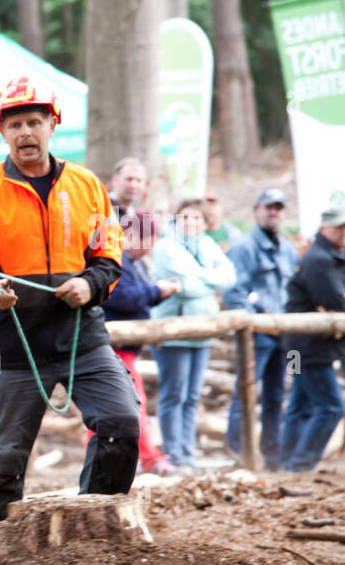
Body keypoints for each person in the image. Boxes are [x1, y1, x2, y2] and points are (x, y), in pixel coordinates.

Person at [0, 76, 139, 539]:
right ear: (2, 132)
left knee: (121, 424)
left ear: (53, 125)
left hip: (80, 337)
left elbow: (109, 255)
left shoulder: (87, 185)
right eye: (15, 125)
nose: (25, 132)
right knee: (0, 462)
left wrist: (90, 285)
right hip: (8, 345)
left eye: (34, 122)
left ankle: (90, 531)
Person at [150, 199, 236, 472]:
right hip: (174, 329)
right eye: (186, 217)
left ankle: (187, 453)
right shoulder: (166, 247)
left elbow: (229, 277)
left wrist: (202, 278)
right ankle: (173, 453)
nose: (191, 223)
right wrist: (211, 280)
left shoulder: (208, 244)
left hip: (203, 328)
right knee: (174, 392)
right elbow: (185, 287)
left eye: (197, 218)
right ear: (177, 218)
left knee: (192, 394)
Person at [222, 188, 300, 470]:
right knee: (245, 392)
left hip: (287, 337)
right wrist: (256, 320)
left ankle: (273, 455)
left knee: (278, 394)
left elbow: (294, 290)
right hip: (256, 336)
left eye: (278, 208)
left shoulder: (289, 250)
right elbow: (234, 292)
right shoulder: (243, 248)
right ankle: (239, 453)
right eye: (269, 207)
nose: (273, 213)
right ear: (257, 210)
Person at [99, 211, 181, 474]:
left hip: (126, 347)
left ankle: (108, 458)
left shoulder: (136, 264)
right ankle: (149, 458)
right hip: (115, 346)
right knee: (134, 402)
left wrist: (158, 293)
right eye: (150, 240)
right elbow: (121, 298)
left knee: (113, 405)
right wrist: (157, 291)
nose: (151, 247)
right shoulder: (117, 260)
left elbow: (137, 297)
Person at [278, 206, 345, 472]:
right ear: (324, 229)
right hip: (309, 350)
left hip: (297, 348)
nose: (343, 233)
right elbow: (334, 300)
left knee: (300, 402)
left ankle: (288, 460)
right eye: (339, 227)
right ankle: (301, 463)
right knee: (330, 406)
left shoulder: (324, 257)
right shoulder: (320, 260)